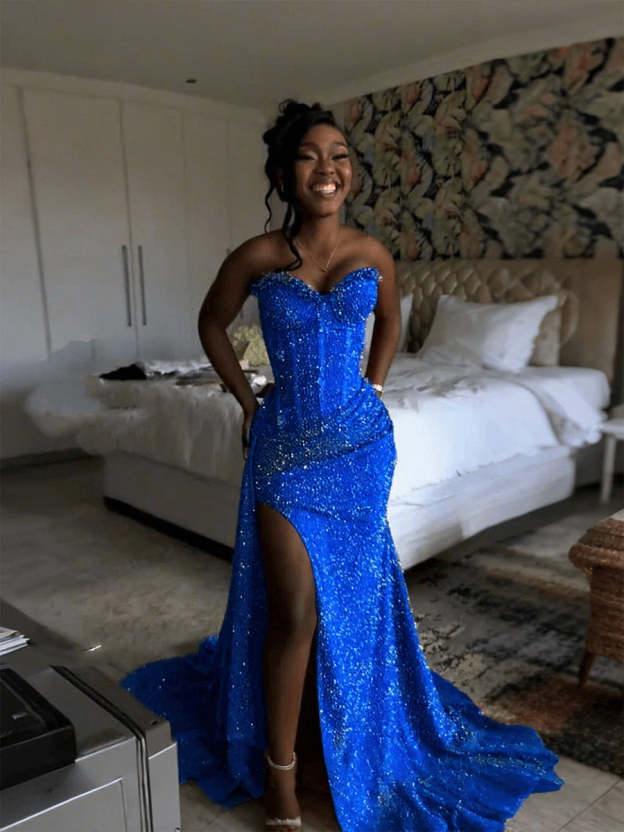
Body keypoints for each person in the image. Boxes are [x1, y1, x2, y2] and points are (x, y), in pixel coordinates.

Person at [119, 99, 564, 832]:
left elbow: (390, 321)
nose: (327, 168)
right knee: (294, 611)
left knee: (347, 605)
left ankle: (343, 732)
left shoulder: (372, 254)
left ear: (351, 172)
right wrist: (245, 401)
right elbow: (211, 322)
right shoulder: (258, 256)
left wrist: (376, 389)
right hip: (285, 449)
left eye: (340, 156)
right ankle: (280, 778)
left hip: (361, 448)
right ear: (284, 174)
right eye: (309, 156)